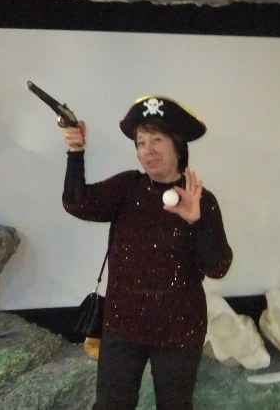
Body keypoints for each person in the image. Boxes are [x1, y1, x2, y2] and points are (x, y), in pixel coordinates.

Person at [61, 95, 233, 410]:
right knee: (111, 405)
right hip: (123, 325)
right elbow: (76, 203)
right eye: (141, 142)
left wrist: (196, 222)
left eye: (157, 140)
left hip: (180, 327)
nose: (147, 150)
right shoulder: (127, 188)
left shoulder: (200, 200)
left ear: (177, 146)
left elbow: (218, 266)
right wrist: (75, 152)